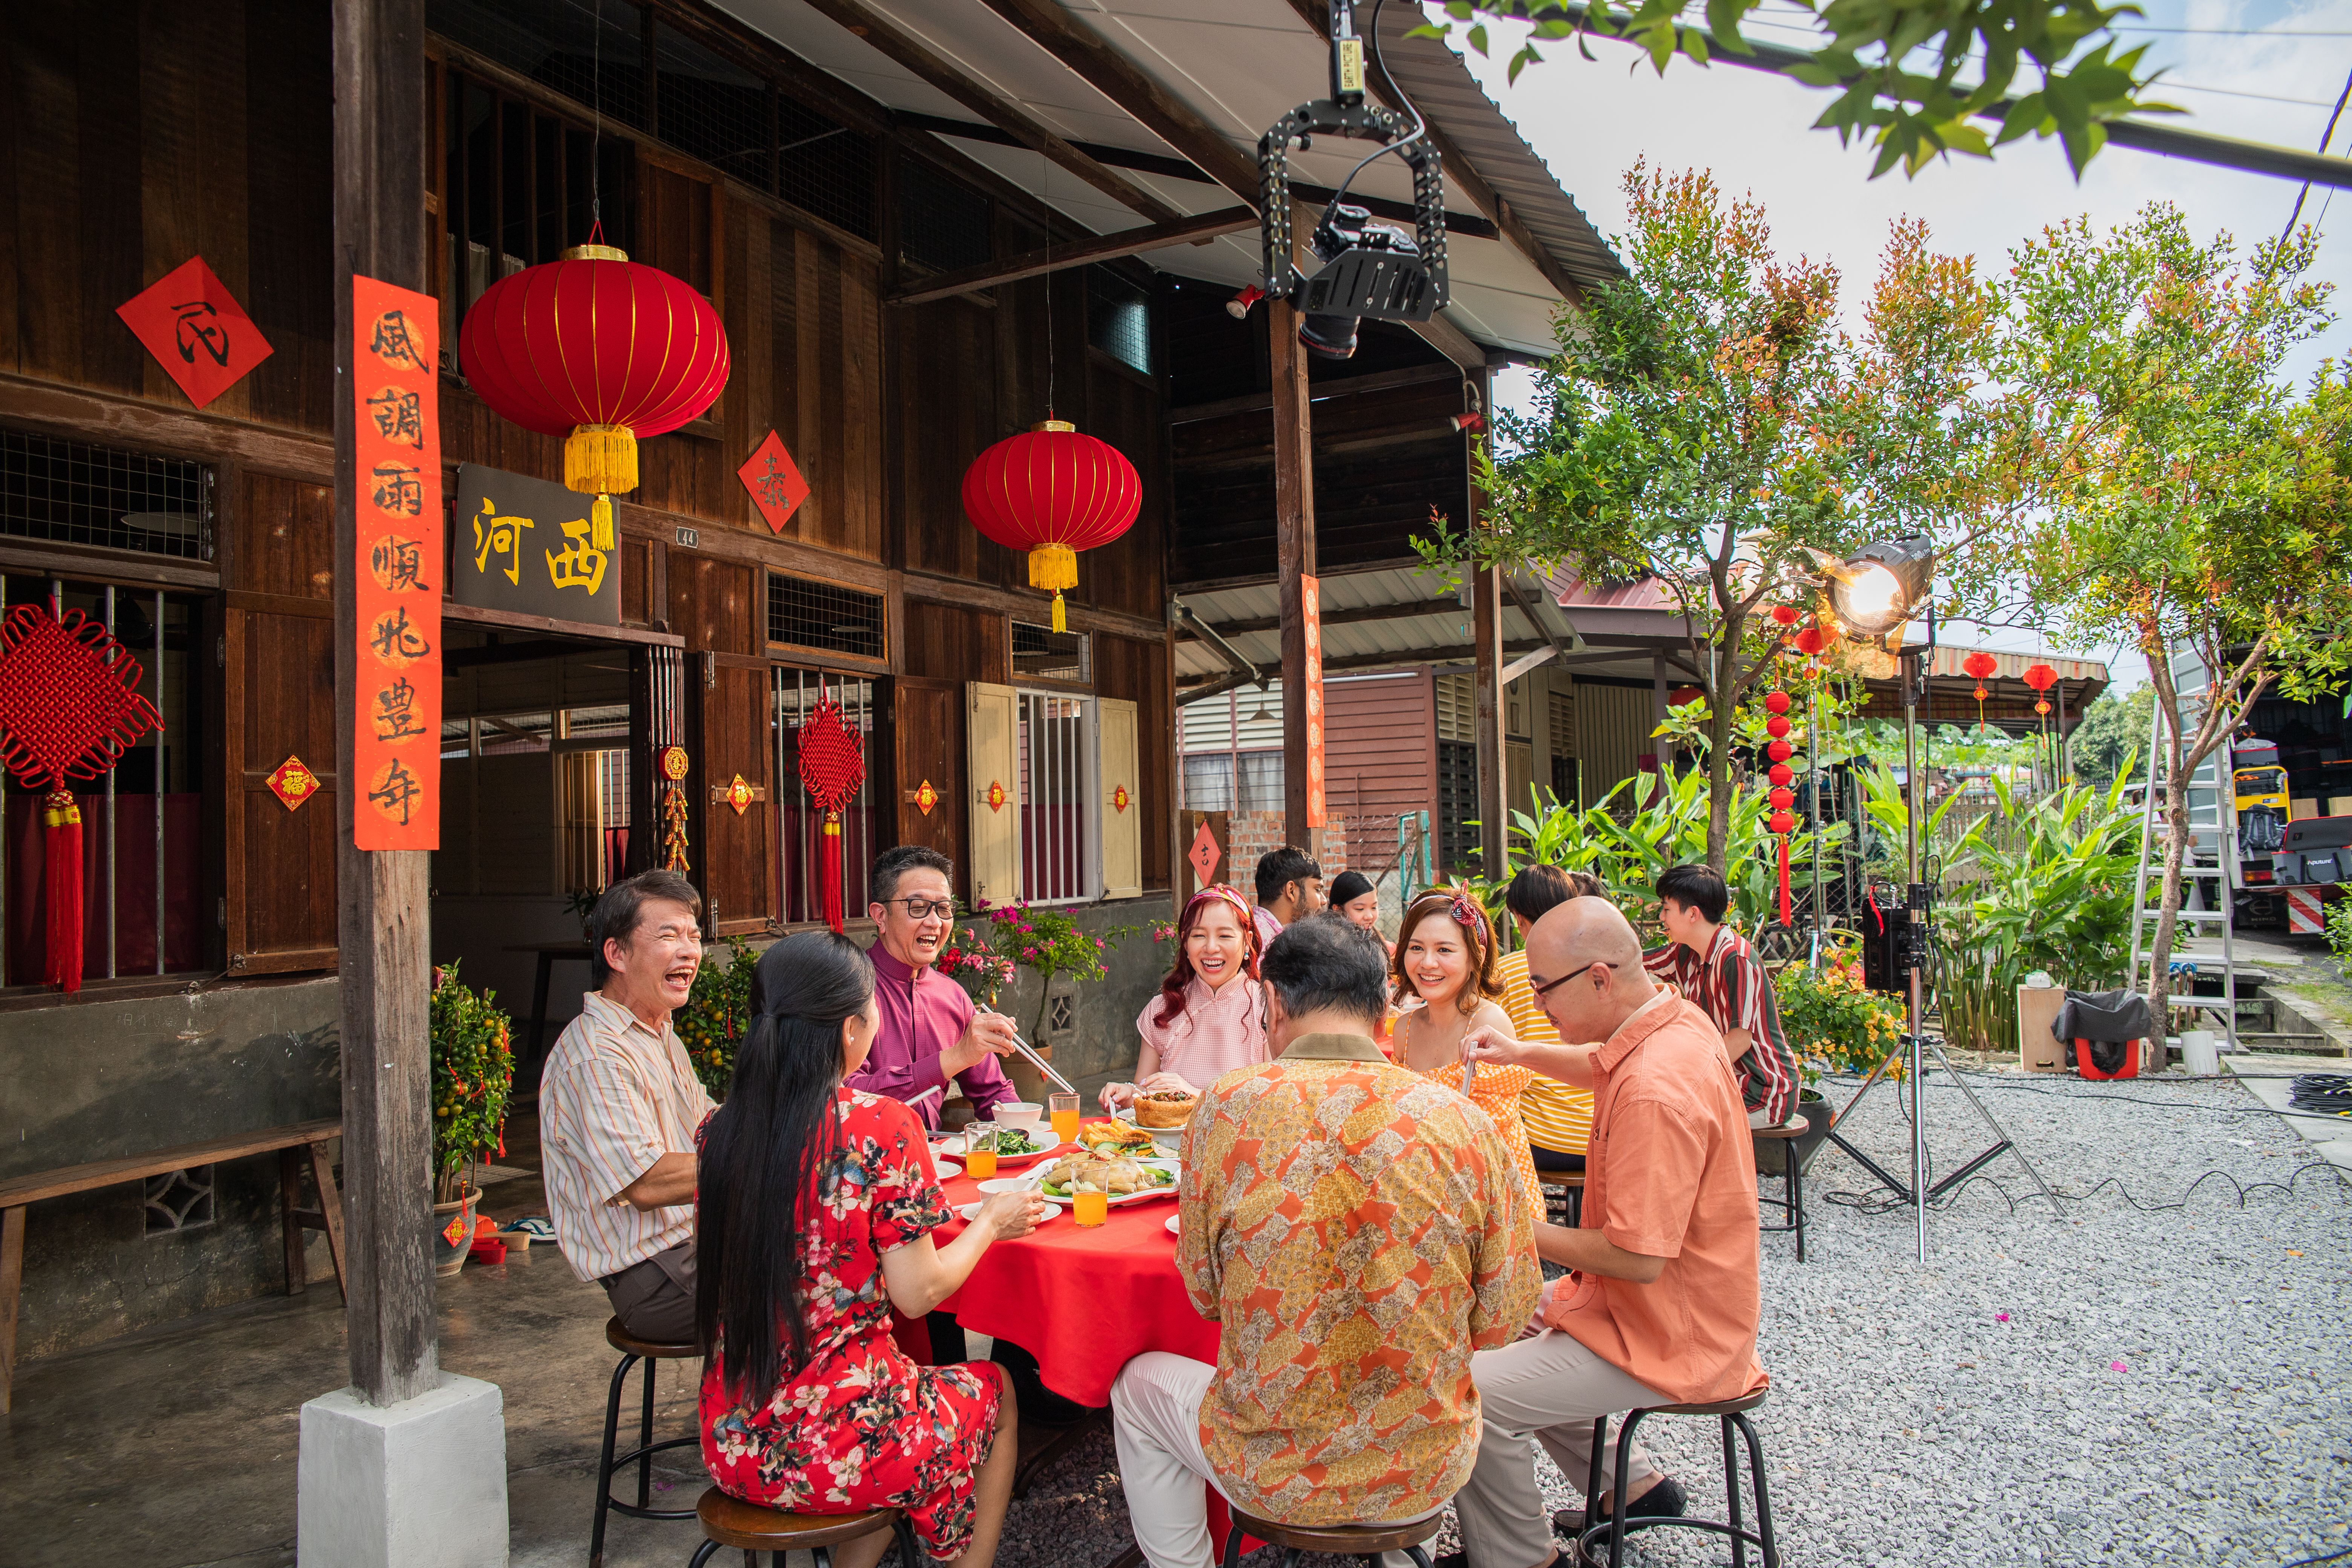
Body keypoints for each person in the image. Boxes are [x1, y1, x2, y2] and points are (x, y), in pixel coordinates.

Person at [1111, 916, 1538, 1568]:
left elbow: (1204, 1295)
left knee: (1136, 1386)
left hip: (1269, 1465)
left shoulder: (1227, 1108)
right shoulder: (1464, 1121)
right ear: (1382, 1009)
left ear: (1273, 1003)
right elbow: (1505, 1315)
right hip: (1423, 1466)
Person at [697, 931, 1047, 1568]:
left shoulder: (720, 1130)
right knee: (996, 1391)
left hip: (735, 1440)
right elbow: (921, 1292)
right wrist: (993, 1220)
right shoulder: (881, 1126)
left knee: (903, 1408)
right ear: (852, 1030)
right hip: (849, 1436)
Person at [1447, 899, 1769, 1568]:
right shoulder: (1674, 1020)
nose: (1536, 1004)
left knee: (1465, 1389)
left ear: (1599, 978)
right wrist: (1519, 1052)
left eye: (1543, 990)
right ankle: (1634, 1488)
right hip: (1654, 1308)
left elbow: (1637, 1257)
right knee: (1499, 1324)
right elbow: (1602, 1060)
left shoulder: (1655, 1088)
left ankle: (1520, 1558)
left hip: (1669, 1330)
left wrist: (1510, 1226)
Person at [538, 870, 717, 1343]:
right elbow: (647, 1181)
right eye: (668, 935)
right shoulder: (598, 1054)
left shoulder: (658, 1030)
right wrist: (774, 1156)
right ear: (616, 953)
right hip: (657, 1277)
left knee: (850, 1250)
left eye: (694, 937)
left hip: (696, 1245)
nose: (689, 951)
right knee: (829, 1284)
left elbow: (709, 1126)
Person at [1389, 886, 1543, 1211]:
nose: (1427, 963)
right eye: (1417, 948)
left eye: (1445, 950)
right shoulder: (1404, 1028)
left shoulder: (1489, 1024)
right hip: (1427, 1188)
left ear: (1478, 957)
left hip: (1487, 1195)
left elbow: (1493, 1137)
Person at [850, 844, 1021, 1130]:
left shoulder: (952, 996)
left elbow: (994, 1093)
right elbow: (851, 1097)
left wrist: (1028, 1134)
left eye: (944, 909)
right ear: (880, 916)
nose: (935, 923)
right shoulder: (851, 991)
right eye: (918, 908)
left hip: (940, 1163)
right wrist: (951, 1060)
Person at [1640, 864, 1802, 1128]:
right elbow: (1635, 964)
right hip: (1726, 1081)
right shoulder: (1685, 952)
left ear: (1693, 914)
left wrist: (1685, 1074)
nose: (1661, 917)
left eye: (1666, 909)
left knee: (1670, 1118)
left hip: (1763, 1091)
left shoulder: (1736, 958)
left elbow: (1739, 1041)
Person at [1099, 885, 1266, 1112]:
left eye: (1225, 936)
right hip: (1166, 1147)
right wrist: (1130, 1094)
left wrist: (1195, 1096)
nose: (1211, 948)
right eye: (1199, 936)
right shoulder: (1162, 1009)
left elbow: (1270, 1103)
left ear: (1247, 942)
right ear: (1185, 943)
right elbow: (1147, 1093)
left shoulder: (1268, 1008)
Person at [1493, 866, 1599, 1178]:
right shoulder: (1599, 967)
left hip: (1542, 1142)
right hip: (1605, 1137)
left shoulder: (1507, 972)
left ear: (1519, 920)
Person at [1250, 844, 1322, 950]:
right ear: (1291, 891)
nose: (1324, 901)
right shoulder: (1259, 939)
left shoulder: (1258, 931)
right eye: (1318, 890)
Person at [1328, 870, 1391, 956]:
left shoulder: (1387, 949)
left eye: (1374, 908)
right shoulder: (1326, 950)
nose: (1369, 917)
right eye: (1360, 909)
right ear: (1338, 910)